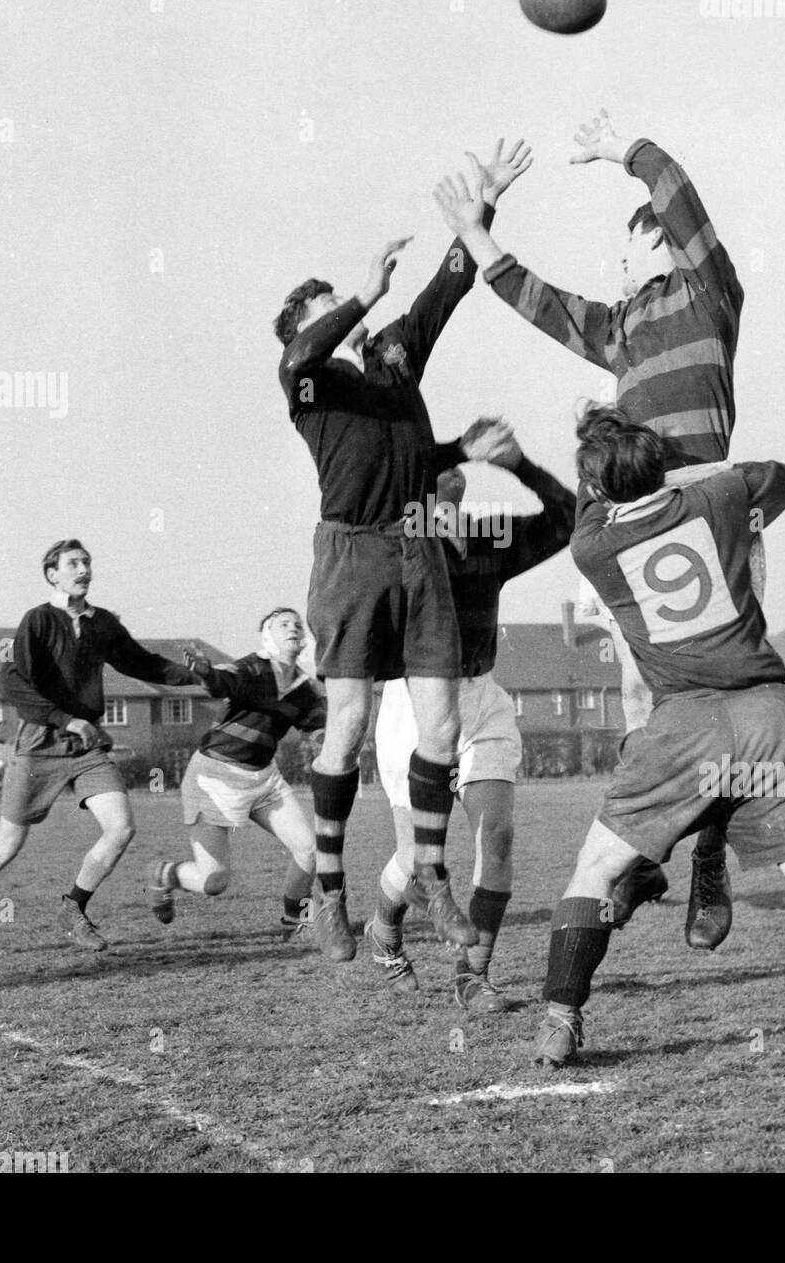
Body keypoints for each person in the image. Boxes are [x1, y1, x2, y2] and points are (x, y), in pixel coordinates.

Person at [529, 408, 785, 1090]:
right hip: (773, 718)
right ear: (658, 464)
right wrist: (690, 471)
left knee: (593, 871)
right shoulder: (718, 497)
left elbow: (590, 503)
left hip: (683, 726)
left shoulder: (591, 549)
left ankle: (560, 1019)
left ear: (598, 483)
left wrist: (618, 464)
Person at [432, 117, 747, 948]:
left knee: (725, 696)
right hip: (629, 524)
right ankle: (650, 854)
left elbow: (684, 204)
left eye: (631, 246)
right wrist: (474, 234)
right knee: (646, 699)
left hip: (702, 511)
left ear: (666, 250)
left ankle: (710, 852)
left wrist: (628, 153)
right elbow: (538, 302)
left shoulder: (707, 294)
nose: (618, 260)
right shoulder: (618, 328)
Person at [275, 139, 532, 962]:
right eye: (328, 308)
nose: (346, 316)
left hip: (417, 549)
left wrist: (482, 206)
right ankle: (326, 891)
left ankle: (427, 875)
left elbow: (447, 286)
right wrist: (357, 288)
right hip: (350, 557)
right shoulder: (309, 384)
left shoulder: (388, 365)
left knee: (442, 720)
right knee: (344, 725)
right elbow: (302, 350)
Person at [369, 425, 574, 1011]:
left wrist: (519, 463)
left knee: (498, 837)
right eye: (434, 467)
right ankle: (384, 924)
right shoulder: (392, 546)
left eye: (456, 466)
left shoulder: (491, 537)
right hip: (414, 704)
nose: (449, 472)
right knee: (414, 861)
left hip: (480, 697)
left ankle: (471, 974)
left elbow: (568, 515)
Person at [0, 539, 199, 964]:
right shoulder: (38, 620)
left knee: (120, 828)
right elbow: (13, 685)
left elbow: (145, 664)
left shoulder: (103, 624)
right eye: (73, 563)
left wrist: (197, 674)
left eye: (87, 563)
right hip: (40, 742)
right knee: (6, 847)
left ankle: (73, 907)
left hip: (86, 746)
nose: (83, 569)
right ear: (52, 574)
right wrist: (64, 719)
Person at [145, 608, 324, 935]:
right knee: (214, 882)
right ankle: (165, 874)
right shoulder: (252, 667)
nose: (293, 629)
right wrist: (206, 672)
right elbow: (222, 680)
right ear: (267, 636)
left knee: (309, 847)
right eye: (283, 624)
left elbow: (319, 729)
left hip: (264, 778)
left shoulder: (304, 687)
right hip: (216, 778)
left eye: (298, 625)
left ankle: (295, 919)